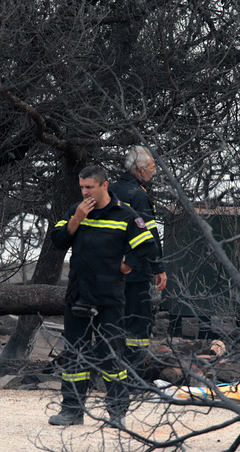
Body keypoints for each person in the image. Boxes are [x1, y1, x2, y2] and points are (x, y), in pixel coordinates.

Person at [48, 165, 163, 428]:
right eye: (82, 187)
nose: (85, 192)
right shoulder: (77, 210)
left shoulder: (125, 214)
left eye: (90, 187)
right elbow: (58, 241)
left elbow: (147, 246)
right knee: (75, 353)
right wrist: (76, 218)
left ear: (105, 185)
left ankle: (117, 413)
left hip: (110, 294)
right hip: (78, 292)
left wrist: (126, 267)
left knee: (111, 355)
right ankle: (72, 411)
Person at [108, 146, 168, 380]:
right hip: (137, 270)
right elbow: (149, 237)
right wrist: (159, 267)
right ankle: (134, 377)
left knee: (113, 321)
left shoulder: (110, 190)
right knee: (139, 324)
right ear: (141, 170)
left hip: (111, 270)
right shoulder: (139, 195)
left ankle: (112, 372)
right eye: (152, 168)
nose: (154, 172)